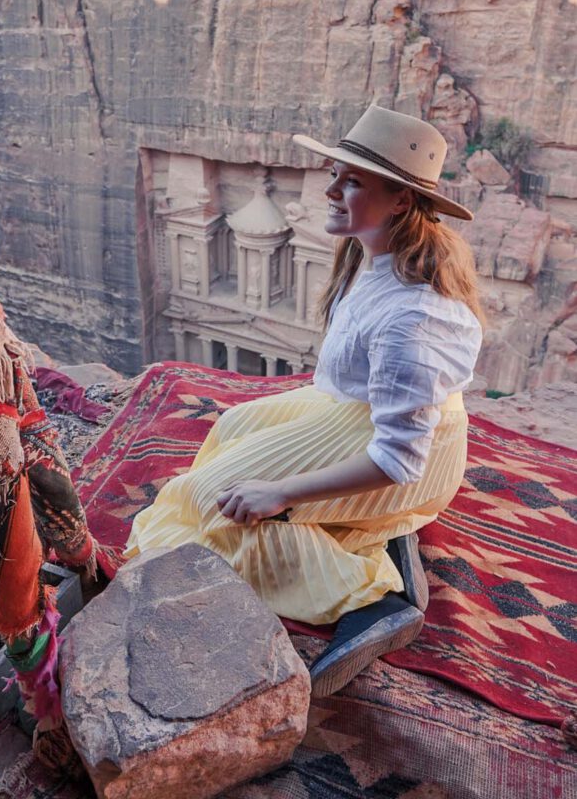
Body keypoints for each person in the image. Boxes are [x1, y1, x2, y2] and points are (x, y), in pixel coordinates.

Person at [126, 104, 483, 696]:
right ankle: (368, 528)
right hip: (351, 415)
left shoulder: (416, 319)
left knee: (218, 509)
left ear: (400, 201)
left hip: (398, 460)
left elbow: (400, 460)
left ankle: (372, 599)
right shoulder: (371, 258)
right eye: (335, 173)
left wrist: (281, 490)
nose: (332, 189)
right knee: (235, 428)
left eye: (352, 180)